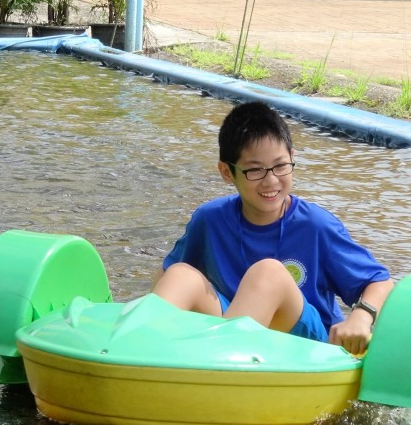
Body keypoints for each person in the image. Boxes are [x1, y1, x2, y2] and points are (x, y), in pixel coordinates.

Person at [151, 101, 393, 356]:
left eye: (280, 166)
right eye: (255, 170)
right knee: (180, 274)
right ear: (226, 172)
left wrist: (362, 317)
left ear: (292, 158)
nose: (271, 180)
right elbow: (165, 277)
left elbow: (380, 282)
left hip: (305, 346)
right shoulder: (210, 219)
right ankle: (136, 354)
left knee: (269, 273)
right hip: (233, 329)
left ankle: (217, 371)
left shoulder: (316, 226)